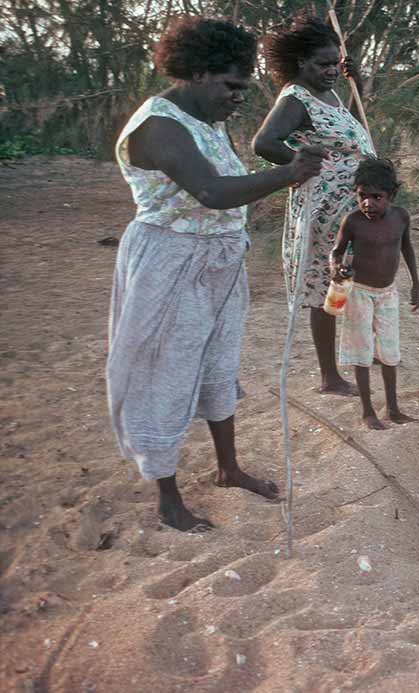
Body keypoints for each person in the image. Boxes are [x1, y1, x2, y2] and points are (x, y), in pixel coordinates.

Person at [107, 17, 325, 532]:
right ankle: (168, 497)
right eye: (232, 86)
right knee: (165, 376)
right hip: (170, 263)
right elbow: (210, 191)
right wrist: (288, 173)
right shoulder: (159, 126)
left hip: (220, 263)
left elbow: (229, 184)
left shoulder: (206, 117)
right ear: (198, 73)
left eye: (244, 88)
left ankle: (229, 469)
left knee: (217, 365)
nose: (238, 98)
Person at [253, 13, 376, 396]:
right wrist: (306, 165)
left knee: (351, 281)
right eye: (323, 64)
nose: (332, 70)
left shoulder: (332, 94)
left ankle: (359, 353)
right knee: (326, 286)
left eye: (335, 63)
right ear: (300, 61)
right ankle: (329, 377)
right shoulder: (296, 97)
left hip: (351, 208)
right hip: (325, 211)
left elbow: (347, 133)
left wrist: (357, 85)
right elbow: (264, 143)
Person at [328, 157, 419, 429]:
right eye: (362, 196)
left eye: (376, 197)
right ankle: (368, 411)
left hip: (387, 294)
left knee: (390, 352)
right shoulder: (353, 222)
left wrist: (416, 283)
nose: (368, 203)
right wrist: (336, 269)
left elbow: (407, 248)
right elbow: (336, 252)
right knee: (362, 352)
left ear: (392, 195)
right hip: (359, 293)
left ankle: (392, 409)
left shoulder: (401, 217)